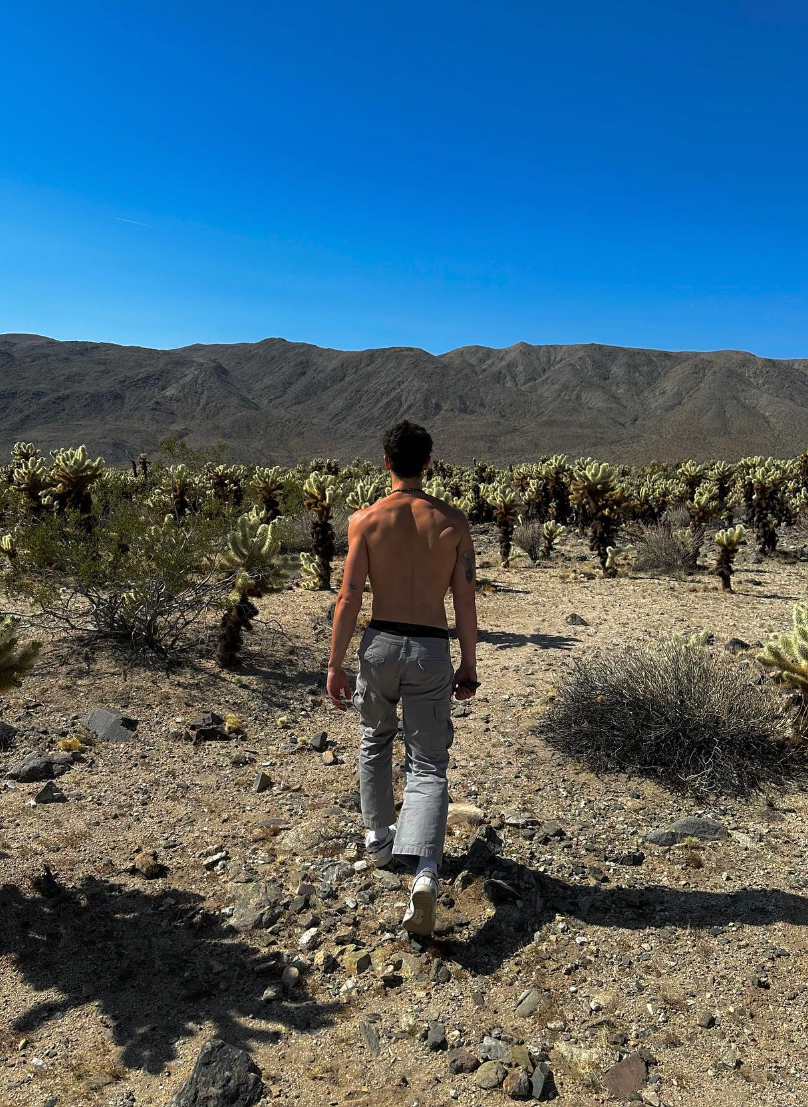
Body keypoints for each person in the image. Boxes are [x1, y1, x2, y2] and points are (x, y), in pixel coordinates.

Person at [327, 421, 478, 936]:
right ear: (429, 462)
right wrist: (470, 663)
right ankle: (426, 871)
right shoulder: (453, 524)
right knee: (429, 759)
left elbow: (348, 598)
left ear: (386, 462)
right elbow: (464, 600)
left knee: (375, 740)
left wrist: (334, 663)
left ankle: (379, 841)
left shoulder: (364, 521)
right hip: (431, 649)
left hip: (381, 644)